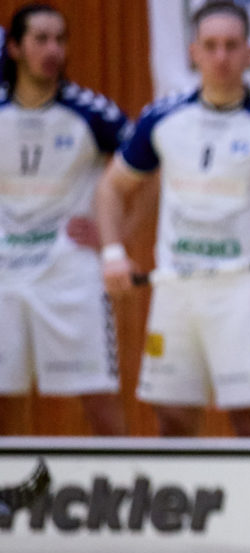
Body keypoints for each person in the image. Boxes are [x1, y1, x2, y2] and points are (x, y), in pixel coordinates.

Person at [96, 1, 250, 438]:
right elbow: (111, 189)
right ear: (193, 52)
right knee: (173, 418)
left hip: (243, 290)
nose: (221, 57)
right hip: (175, 287)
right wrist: (111, 254)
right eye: (211, 46)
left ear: (249, 54)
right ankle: (183, 506)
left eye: (231, 46)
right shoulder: (163, 118)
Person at [0, 3, 129, 435]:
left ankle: (123, 489)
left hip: (68, 270)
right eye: (40, 39)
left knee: (98, 398)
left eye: (60, 39)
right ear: (15, 47)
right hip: (5, 269)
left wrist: (117, 236)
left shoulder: (92, 113)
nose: (53, 49)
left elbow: (148, 170)